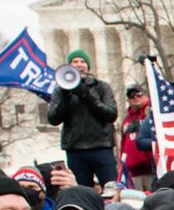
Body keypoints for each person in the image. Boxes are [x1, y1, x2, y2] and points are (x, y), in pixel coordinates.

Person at [46, 50, 120, 187]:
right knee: (81, 190)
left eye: (82, 61)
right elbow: (53, 119)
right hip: (75, 149)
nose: (79, 64)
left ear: (88, 66)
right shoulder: (60, 89)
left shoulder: (101, 86)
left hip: (101, 146)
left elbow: (111, 114)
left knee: (112, 188)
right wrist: (65, 99)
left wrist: (88, 96)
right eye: (75, 62)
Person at [120, 84, 156, 190]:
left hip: (150, 170)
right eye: (131, 96)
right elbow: (123, 145)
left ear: (145, 95)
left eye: (138, 94)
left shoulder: (153, 114)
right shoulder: (127, 120)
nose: (135, 97)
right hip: (133, 172)